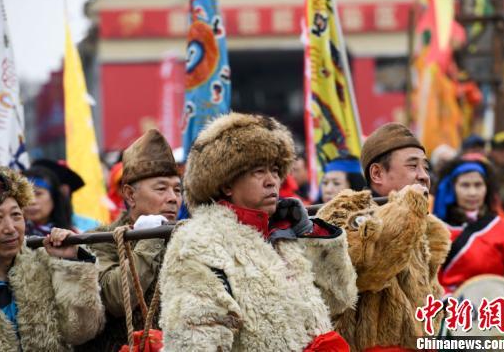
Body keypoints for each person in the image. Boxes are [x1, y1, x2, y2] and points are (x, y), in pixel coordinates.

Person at [159, 113, 357, 350]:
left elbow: (339, 300)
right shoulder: (199, 244)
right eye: (258, 171)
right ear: (226, 184)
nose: (272, 180)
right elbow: (194, 343)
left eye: (275, 170)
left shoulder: (285, 232)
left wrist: (312, 235)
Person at [317, 122, 451, 351]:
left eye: (425, 167)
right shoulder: (343, 211)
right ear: (377, 173)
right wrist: (408, 208)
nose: (424, 176)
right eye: (413, 166)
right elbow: (370, 273)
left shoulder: (421, 222)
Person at [77, 129, 181, 352]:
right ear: (130, 195)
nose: (173, 198)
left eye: (177, 189)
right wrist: (150, 239)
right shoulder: (101, 240)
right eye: (161, 188)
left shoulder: (188, 238)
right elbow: (115, 299)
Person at [0, 166, 104, 350]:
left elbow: (83, 330)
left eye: (16, 215)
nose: (10, 228)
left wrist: (70, 264)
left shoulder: (44, 264)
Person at [434, 154, 504, 296]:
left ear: (487, 188)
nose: (472, 192)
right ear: (452, 188)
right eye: (465, 185)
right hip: (453, 312)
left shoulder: (501, 227)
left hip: (496, 310)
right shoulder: (438, 230)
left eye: (478, 185)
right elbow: (430, 282)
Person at [32, 159, 101, 232]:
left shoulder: (88, 229)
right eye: (28, 194)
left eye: (38, 193)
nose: (32, 201)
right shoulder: (22, 230)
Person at [22, 165, 75, 236]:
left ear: (53, 196)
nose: (32, 201)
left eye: (38, 193)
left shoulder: (71, 235)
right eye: (26, 195)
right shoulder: (13, 236)